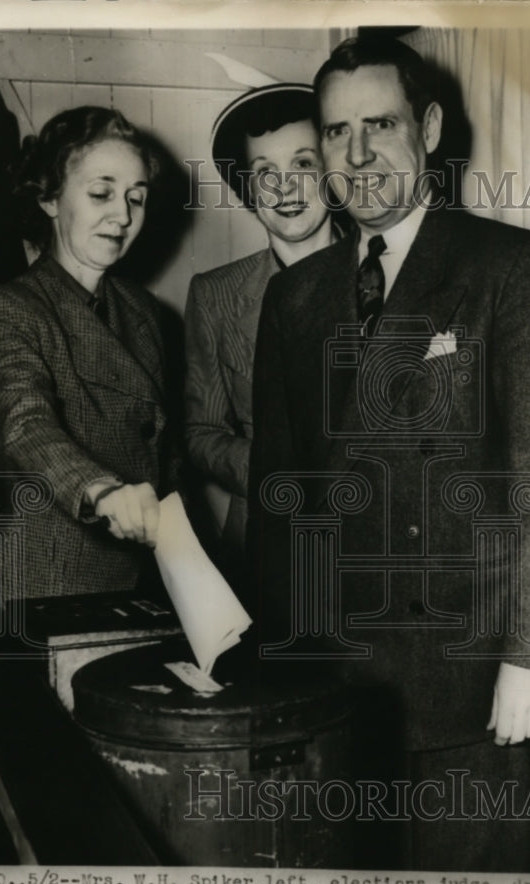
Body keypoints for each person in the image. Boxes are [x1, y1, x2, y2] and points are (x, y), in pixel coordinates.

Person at [248, 37, 530, 870]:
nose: (357, 153)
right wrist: (272, 654)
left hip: (468, 683)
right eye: (336, 133)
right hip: (332, 682)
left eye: (380, 124)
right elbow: (278, 490)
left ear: (429, 128)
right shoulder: (294, 295)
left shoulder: (512, 270)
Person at [0, 106, 179, 607]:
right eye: (101, 193)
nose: (123, 215)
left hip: (147, 587)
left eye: (137, 198)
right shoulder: (5, 308)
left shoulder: (145, 313)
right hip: (47, 587)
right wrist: (101, 492)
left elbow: (167, 458)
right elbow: (23, 421)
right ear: (48, 197)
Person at [184, 84, 345, 592]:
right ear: (248, 192)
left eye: (303, 164)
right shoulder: (215, 295)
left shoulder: (390, 274)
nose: (286, 189)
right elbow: (200, 431)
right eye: (265, 174)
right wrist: (273, 468)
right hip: (264, 549)